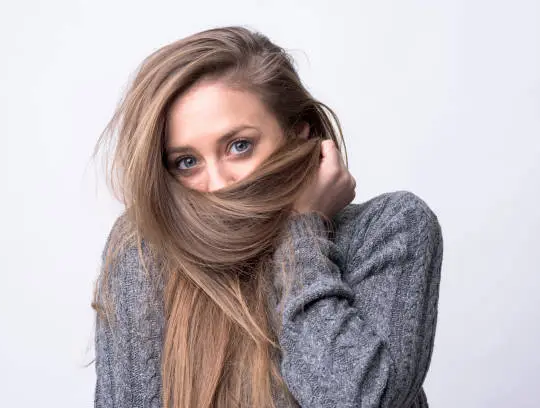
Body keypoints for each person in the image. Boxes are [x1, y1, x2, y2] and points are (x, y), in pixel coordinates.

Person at [91, 25, 443, 408]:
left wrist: (301, 235)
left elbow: (357, 400)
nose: (219, 183)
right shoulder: (145, 246)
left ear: (298, 134)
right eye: (187, 161)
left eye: (239, 146)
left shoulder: (391, 228)